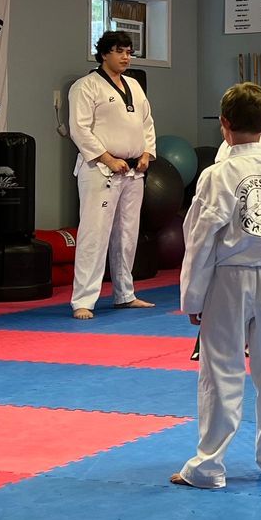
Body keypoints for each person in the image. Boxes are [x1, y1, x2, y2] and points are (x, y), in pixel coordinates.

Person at [171, 82, 261, 489]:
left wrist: (193, 295)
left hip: (229, 279)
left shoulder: (217, 174)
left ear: (223, 124)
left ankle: (209, 466)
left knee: (221, 371)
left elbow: (200, 238)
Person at [66, 30, 156, 317]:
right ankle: (83, 299)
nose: (126, 57)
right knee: (95, 234)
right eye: (119, 51)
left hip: (132, 171)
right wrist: (106, 157)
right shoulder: (85, 86)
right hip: (100, 170)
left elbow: (147, 124)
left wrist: (146, 154)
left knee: (127, 235)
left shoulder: (134, 86)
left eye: (129, 51)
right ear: (104, 53)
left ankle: (124, 293)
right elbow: (79, 129)